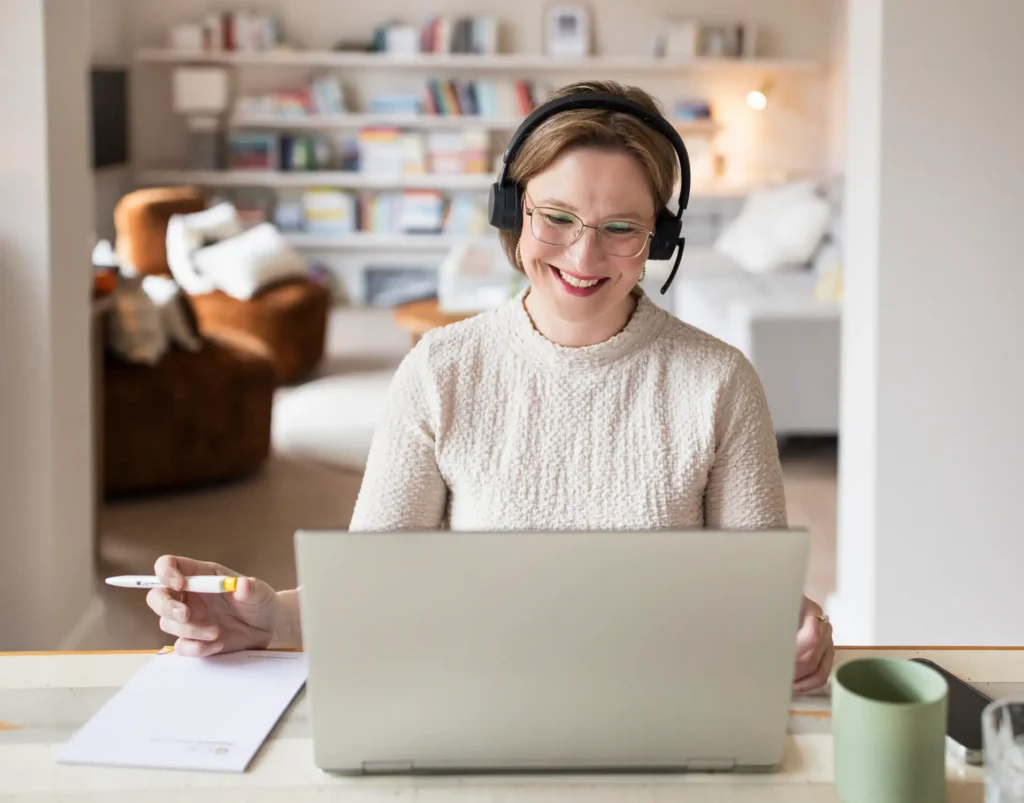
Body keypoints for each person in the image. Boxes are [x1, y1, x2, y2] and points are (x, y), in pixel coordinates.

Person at [147, 80, 834, 693]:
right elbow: (373, 587)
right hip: (471, 705)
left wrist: (791, 637)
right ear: (513, 210)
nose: (584, 255)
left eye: (621, 228)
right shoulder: (440, 369)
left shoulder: (721, 382)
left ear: (659, 238)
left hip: (666, 709)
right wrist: (268, 616)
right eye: (556, 217)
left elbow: (757, 612)